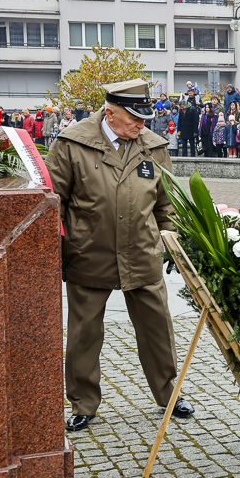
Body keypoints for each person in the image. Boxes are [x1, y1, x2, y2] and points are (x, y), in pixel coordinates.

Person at [47, 78, 193, 432]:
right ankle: (83, 403)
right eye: (134, 118)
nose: (142, 125)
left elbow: (166, 201)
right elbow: (52, 202)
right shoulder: (72, 143)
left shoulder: (153, 147)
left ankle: (169, 394)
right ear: (109, 113)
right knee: (84, 333)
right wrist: (57, 249)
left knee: (157, 327)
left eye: (145, 118)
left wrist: (169, 235)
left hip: (141, 253)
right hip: (88, 253)